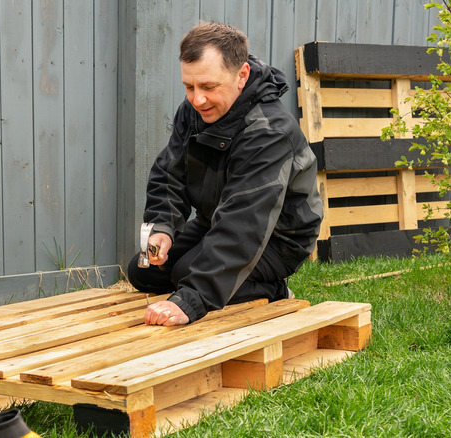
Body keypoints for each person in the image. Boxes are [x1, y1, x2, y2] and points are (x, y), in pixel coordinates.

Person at [126, 21, 323, 326]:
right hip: (215, 220)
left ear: (241, 75)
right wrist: (163, 226)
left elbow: (245, 223)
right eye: (189, 86)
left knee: (185, 276)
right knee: (143, 272)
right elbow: (169, 172)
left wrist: (191, 300)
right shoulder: (194, 110)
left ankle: (274, 289)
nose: (196, 99)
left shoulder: (269, 132)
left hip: (276, 238)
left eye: (208, 86)